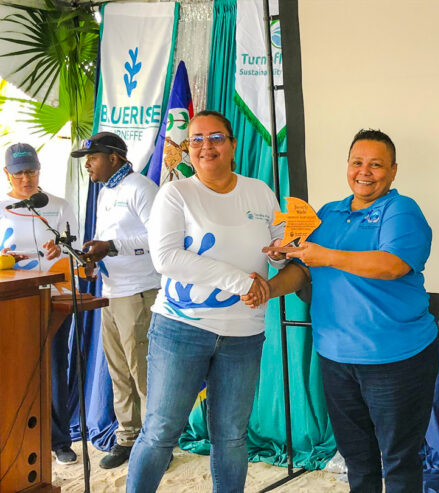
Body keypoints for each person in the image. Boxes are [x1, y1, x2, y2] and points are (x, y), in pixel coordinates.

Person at [246, 129, 439, 493]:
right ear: (347, 166)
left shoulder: (401, 210)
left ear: (393, 171)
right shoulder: (328, 213)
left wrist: (327, 256)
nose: (364, 172)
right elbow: (304, 270)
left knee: (399, 459)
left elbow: (392, 265)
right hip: (335, 356)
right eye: (357, 162)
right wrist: (270, 286)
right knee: (357, 457)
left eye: (376, 164)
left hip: (395, 358)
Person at [125, 110, 286, 492]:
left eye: (216, 138)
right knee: (161, 432)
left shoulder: (260, 191)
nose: (206, 146)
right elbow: (166, 258)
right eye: (196, 139)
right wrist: (241, 282)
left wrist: (282, 252)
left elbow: (278, 251)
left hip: (244, 334)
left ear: (232, 145)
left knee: (231, 436)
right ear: (187, 149)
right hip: (181, 329)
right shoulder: (176, 193)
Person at [70, 133, 160, 469]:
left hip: (139, 291)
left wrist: (111, 247)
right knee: (119, 372)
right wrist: (93, 260)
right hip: (111, 291)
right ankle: (128, 438)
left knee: (143, 373)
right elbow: (108, 239)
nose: (88, 165)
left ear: (114, 158)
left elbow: (158, 237)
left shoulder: (141, 188)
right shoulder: (106, 191)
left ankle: (155, 446)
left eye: (92, 158)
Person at [1, 143, 80, 464]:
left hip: (55, 296)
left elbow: (77, 247)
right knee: (14, 366)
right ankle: (17, 436)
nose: (26, 179)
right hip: (12, 300)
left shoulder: (58, 206)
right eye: (19, 173)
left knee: (55, 366)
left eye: (31, 171)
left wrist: (61, 249)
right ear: (7, 173)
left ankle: (59, 440)